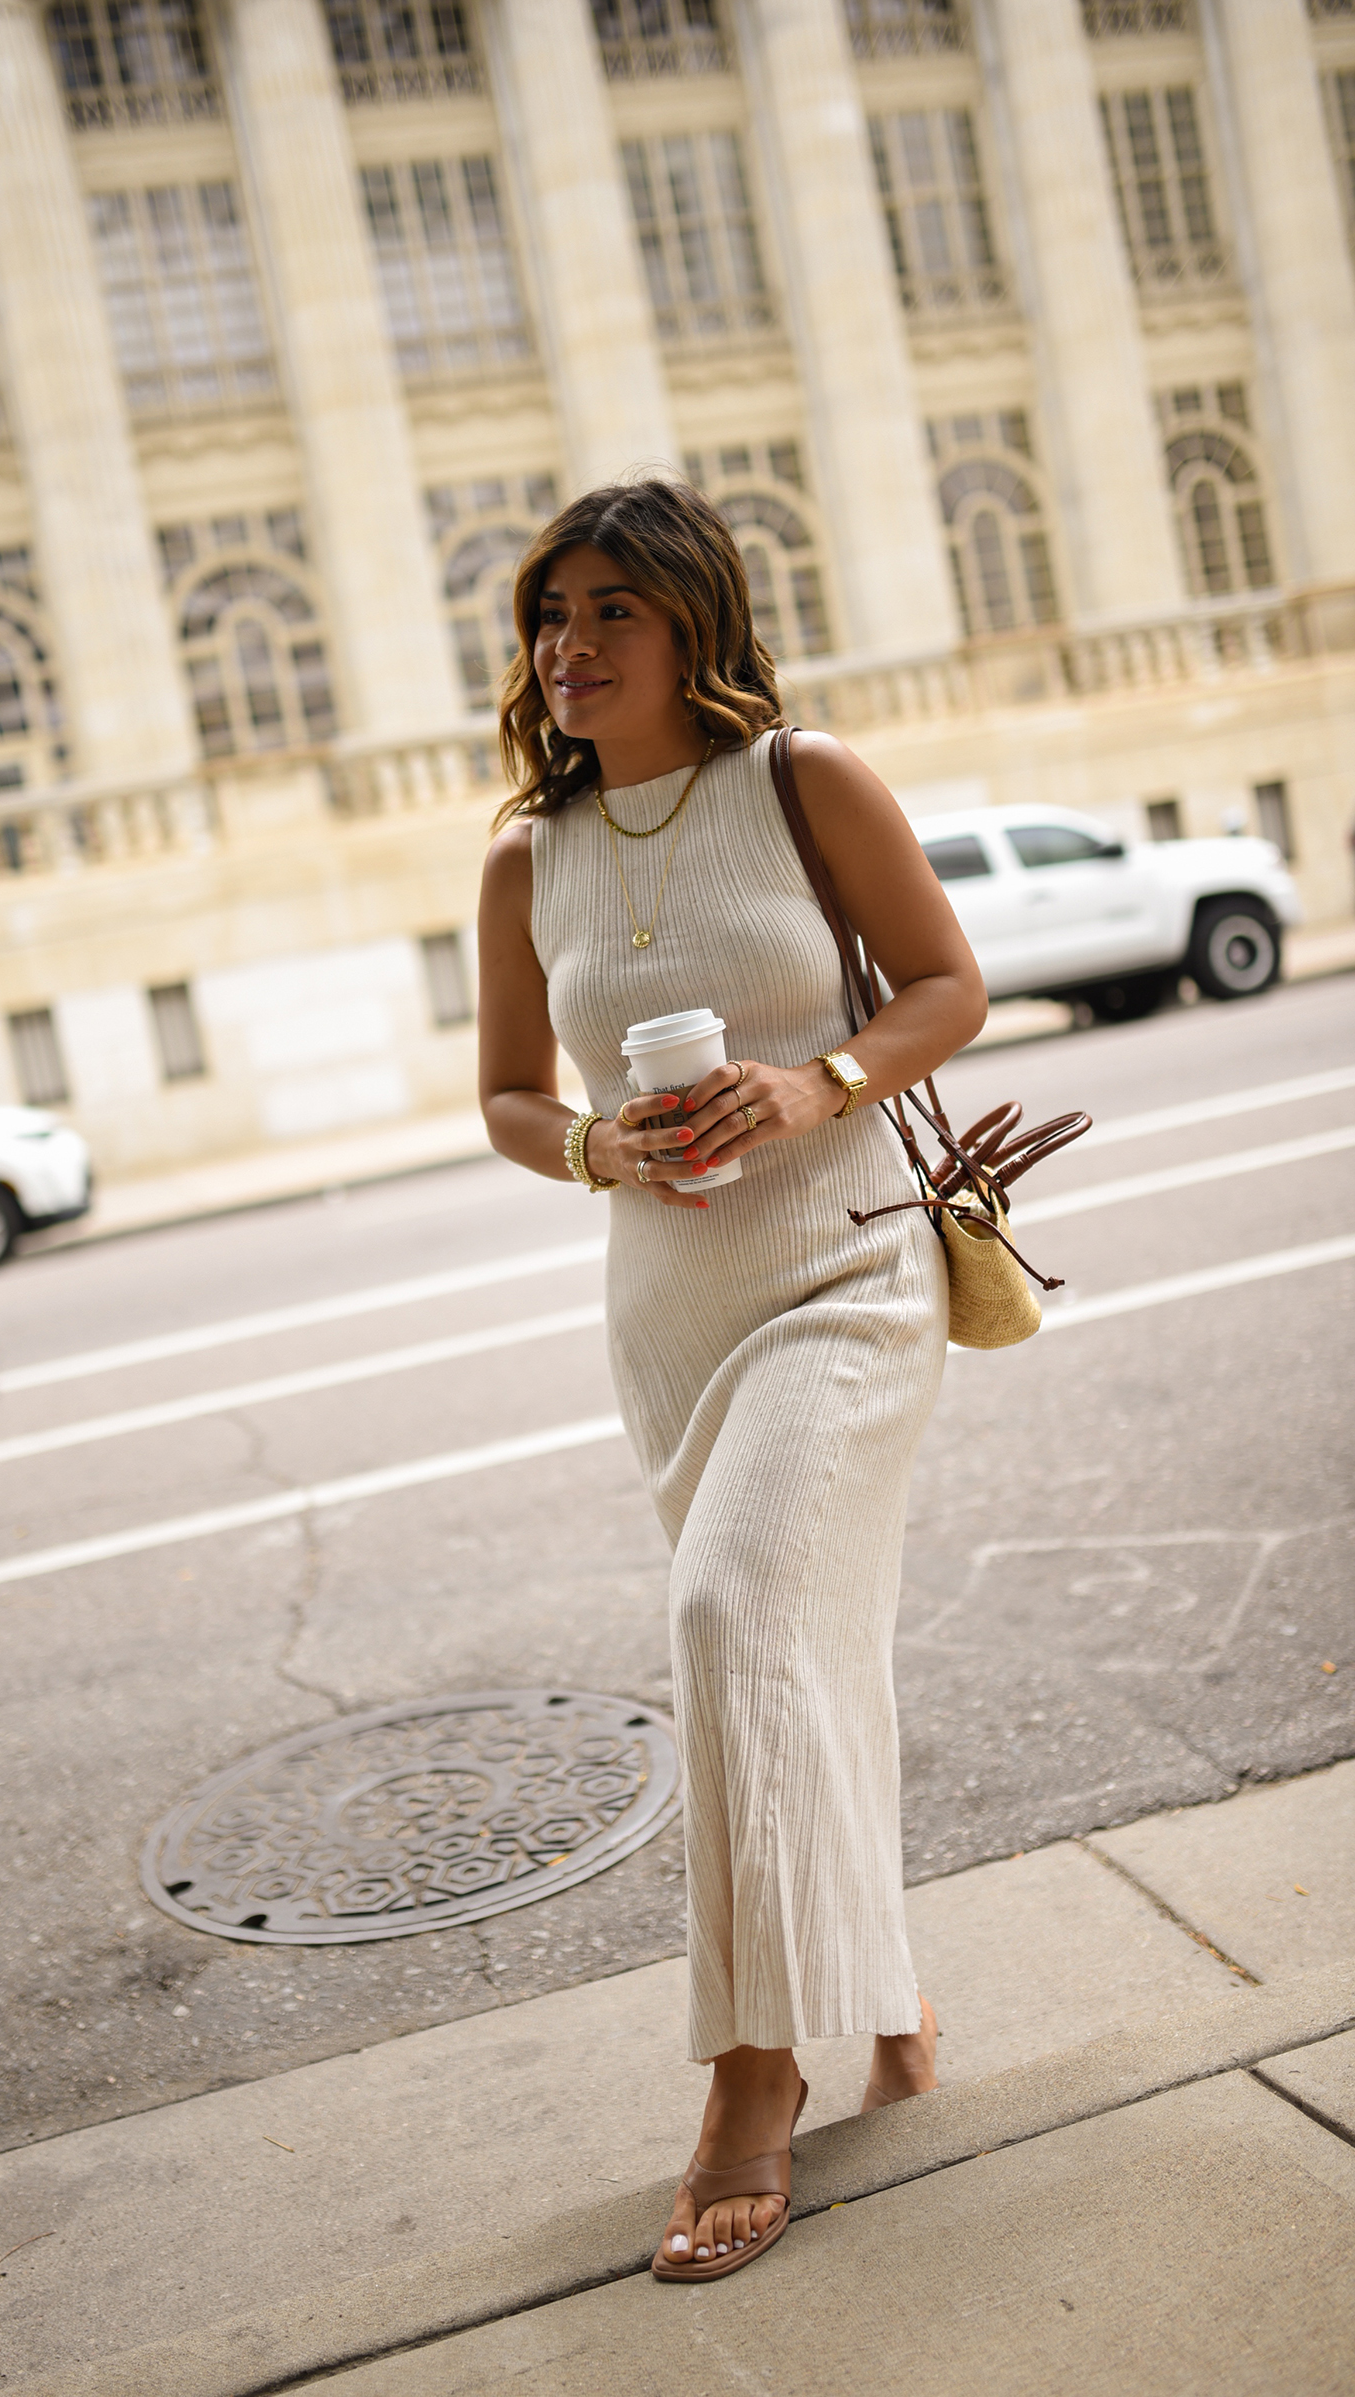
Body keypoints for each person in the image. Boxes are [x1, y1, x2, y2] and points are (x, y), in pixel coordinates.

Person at [476, 477, 987, 2283]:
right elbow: (511, 1099)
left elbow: (947, 982)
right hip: (671, 1314)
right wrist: (600, 1152)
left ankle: (750, 2080)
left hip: (847, 1268)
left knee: (728, 1613)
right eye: (553, 612)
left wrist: (813, 1083)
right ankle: (888, 1992)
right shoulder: (523, 857)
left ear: (695, 617)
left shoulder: (803, 782)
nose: (573, 644)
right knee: (798, 1658)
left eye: (613, 606)